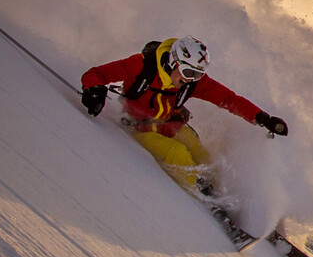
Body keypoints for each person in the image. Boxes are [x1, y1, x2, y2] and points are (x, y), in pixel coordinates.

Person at [79, 36, 288, 192]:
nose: (190, 80)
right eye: (189, 73)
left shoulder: (193, 83)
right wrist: (94, 91)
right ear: (173, 62)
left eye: (197, 75)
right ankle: (204, 194)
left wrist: (262, 118)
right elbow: (95, 74)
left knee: (199, 152)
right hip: (142, 129)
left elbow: (229, 99)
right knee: (177, 152)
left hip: (171, 125)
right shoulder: (141, 66)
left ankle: (223, 191)